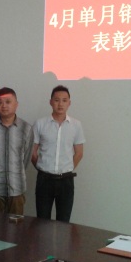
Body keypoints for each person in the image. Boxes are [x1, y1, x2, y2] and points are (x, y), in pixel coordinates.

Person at [32, 85, 85, 222]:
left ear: (69, 103)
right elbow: (33, 152)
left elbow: (79, 153)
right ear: (50, 102)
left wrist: (66, 168)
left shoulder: (76, 125)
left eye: (64, 100)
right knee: (42, 221)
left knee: (64, 222)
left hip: (66, 181)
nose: (60, 104)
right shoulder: (40, 124)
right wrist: (43, 167)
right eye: (56, 100)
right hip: (44, 180)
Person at [0, 87, 33, 215]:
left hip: (17, 187)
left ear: (16, 104)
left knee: (16, 224)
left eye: (8, 102)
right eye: (0, 102)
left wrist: (16, 172)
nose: (4, 106)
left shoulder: (26, 128)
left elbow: (26, 158)